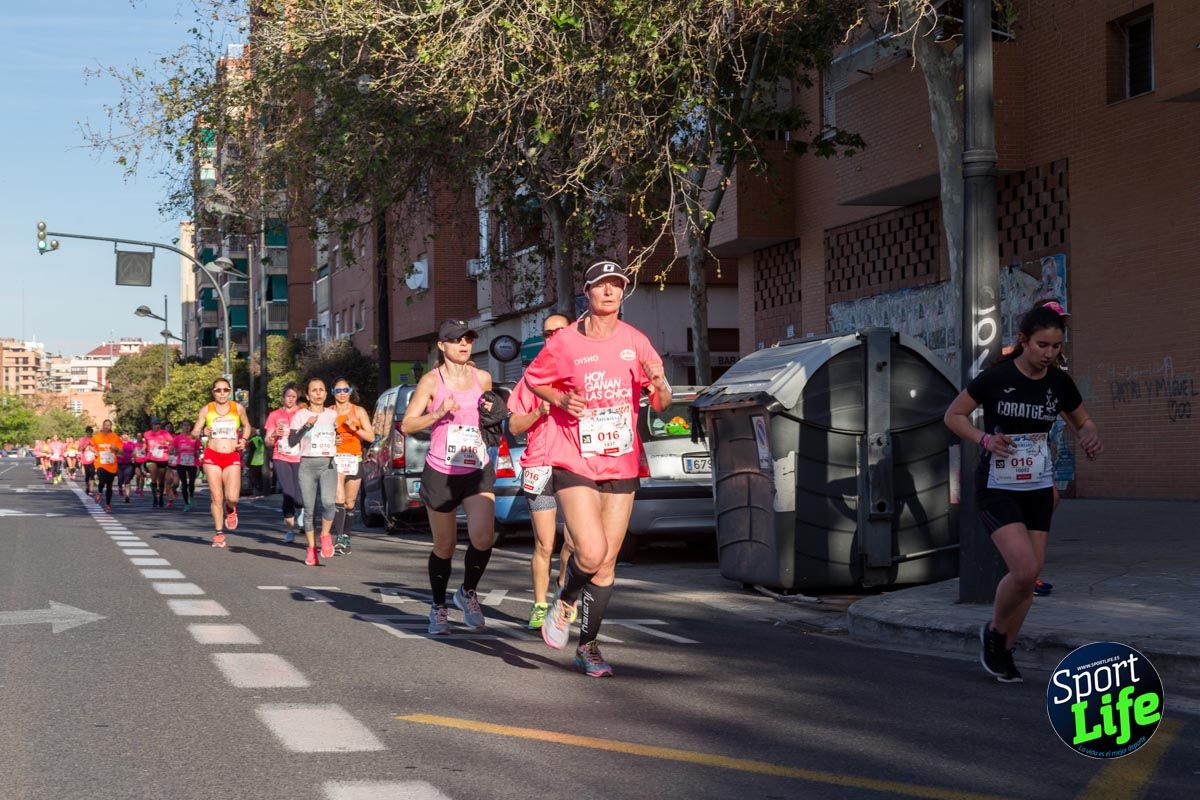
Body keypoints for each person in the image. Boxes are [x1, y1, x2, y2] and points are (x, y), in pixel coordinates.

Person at [524, 261, 673, 677]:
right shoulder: (565, 342)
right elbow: (535, 379)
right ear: (586, 292)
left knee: (606, 562)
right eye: (601, 285)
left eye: (617, 286)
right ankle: (566, 600)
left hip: (622, 459)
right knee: (588, 551)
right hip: (575, 457)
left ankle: (588, 646)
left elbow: (661, 404)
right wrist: (560, 400)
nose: (609, 292)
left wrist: (660, 385)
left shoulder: (636, 341)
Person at [944, 303, 1103, 683]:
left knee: (1027, 580)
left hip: (1037, 489)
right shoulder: (996, 378)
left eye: (1056, 346)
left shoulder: (1060, 383)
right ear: (1024, 342)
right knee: (1025, 569)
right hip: (998, 486)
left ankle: (1005, 652)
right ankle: (995, 633)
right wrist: (984, 438)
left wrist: (1089, 436)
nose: (1049, 353)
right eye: (1042, 345)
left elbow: (1083, 421)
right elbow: (953, 415)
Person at [401, 319, 497, 635]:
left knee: (483, 536)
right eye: (456, 340)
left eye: (467, 338)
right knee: (445, 545)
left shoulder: (482, 378)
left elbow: (488, 418)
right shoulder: (430, 382)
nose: (463, 344)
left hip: (475, 467)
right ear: (442, 345)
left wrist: (495, 418)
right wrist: (438, 413)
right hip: (441, 471)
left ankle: (467, 592)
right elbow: (407, 425)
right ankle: (439, 606)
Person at [507, 313, 577, 630]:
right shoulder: (531, 379)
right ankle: (538, 605)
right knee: (545, 543)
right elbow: (514, 425)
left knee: (575, 541)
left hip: (574, 465)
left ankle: (563, 588)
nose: (554, 336)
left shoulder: (581, 373)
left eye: (560, 331)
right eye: (548, 333)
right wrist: (538, 411)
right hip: (539, 466)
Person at [191, 378, 252, 548]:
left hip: (231, 455)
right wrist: (202, 431)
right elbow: (194, 433)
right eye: (218, 390)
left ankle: (231, 508)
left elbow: (247, 426)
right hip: (212, 456)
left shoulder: (237, 408)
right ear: (213, 392)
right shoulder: (207, 409)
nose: (222, 393)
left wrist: (244, 439)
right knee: (216, 496)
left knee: (232, 497)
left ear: (230, 391)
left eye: (225, 390)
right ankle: (219, 533)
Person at [287, 378, 339, 566]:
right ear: (308, 396)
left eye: (321, 390)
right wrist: (306, 426)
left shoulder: (332, 415)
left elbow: (337, 436)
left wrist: (338, 442)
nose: (318, 393)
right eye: (314, 390)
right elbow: (292, 442)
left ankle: (325, 535)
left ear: (326, 393)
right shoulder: (300, 415)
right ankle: (310, 548)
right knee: (309, 510)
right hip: (307, 466)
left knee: (328, 503)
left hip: (328, 464)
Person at [331, 378, 374, 556]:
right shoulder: (329, 412)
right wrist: (333, 438)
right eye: (338, 390)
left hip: (354, 459)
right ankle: (339, 537)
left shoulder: (359, 411)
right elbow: (318, 436)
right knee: (338, 498)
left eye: (345, 390)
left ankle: (346, 537)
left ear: (350, 391)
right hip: (335, 459)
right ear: (333, 392)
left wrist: (354, 428)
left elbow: (371, 437)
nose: (342, 394)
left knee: (350, 503)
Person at [264, 383, 304, 543]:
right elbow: (267, 441)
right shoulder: (274, 415)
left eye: (294, 397)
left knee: (300, 498)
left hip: (299, 457)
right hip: (280, 457)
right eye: (288, 396)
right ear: (283, 397)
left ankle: (301, 510)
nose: (291, 399)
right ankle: (289, 529)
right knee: (288, 492)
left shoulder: (303, 414)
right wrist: (274, 434)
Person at [92, 420, 123, 512]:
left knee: (109, 485)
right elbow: (91, 447)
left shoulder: (115, 437)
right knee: (102, 479)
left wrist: (116, 448)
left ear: (111, 426)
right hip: (100, 463)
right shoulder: (97, 437)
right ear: (102, 426)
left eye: (108, 425)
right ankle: (100, 492)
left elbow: (122, 453)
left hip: (111, 465)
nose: (106, 427)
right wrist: (94, 451)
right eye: (105, 425)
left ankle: (108, 504)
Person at [143, 418, 173, 507]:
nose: (157, 426)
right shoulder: (147, 434)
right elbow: (146, 444)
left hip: (162, 458)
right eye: (155, 424)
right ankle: (154, 498)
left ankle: (160, 497)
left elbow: (172, 443)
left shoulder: (165, 433)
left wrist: (165, 443)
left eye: (158, 424)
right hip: (151, 458)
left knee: (161, 480)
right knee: (153, 477)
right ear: (151, 425)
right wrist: (144, 448)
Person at [173, 425, 199, 512]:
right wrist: (175, 451)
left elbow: (197, 450)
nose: (186, 427)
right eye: (184, 426)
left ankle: (191, 496)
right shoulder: (178, 438)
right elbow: (174, 450)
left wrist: (196, 454)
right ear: (182, 428)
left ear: (190, 428)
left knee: (191, 482)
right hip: (181, 462)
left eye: (187, 426)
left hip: (192, 462)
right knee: (184, 483)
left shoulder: (195, 438)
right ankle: (186, 504)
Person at [117, 434, 137, 503]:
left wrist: (134, 456)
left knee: (127, 480)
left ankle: (127, 496)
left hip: (129, 464)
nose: (125, 437)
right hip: (119, 464)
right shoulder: (118, 443)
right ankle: (120, 488)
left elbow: (134, 451)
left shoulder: (131, 444)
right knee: (120, 478)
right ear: (121, 437)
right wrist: (119, 455)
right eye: (123, 436)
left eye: (126, 436)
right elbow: (115, 452)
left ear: (128, 437)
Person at [78, 428, 97, 497]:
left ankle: (91, 490)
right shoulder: (83, 439)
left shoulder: (95, 439)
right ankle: (87, 487)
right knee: (87, 475)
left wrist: (94, 450)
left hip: (93, 459)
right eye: (88, 432)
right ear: (86, 433)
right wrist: (85, 445)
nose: (89, 434)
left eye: (90, 432)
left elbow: (98, 448)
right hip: (85, 459)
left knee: (92, 474)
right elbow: (79, 449)